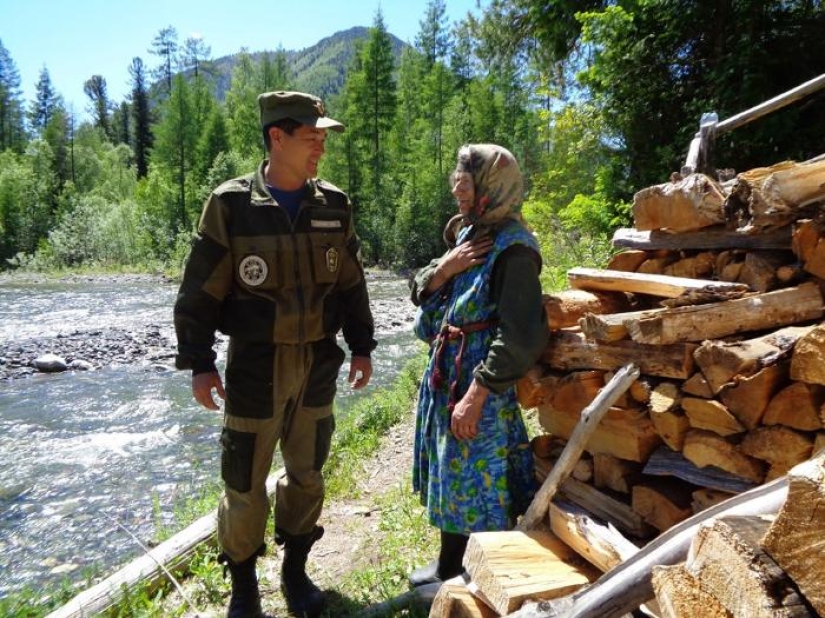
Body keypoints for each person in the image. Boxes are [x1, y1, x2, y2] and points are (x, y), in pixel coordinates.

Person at [174, 91, 376, 618]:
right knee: (243, 481)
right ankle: (244, 586)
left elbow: (352, 284)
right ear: (277, 137)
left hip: (317, 362)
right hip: (254, 366)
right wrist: (198, 361)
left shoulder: (334, 205)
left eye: (324, 139)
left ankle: (296, 570)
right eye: (313, 138)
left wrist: (362, 346)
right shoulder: (231, 205)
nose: (321, 149)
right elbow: (200, 290)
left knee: (307, 473)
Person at [408, 143, 549, 587]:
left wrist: (477, 393)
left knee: (483, 478)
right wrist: (443, 271)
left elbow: (522, 334)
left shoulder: (514, 250)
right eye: (458, 186)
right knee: (454, 471)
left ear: (492, 186)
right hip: (451, 370)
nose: (458, 194)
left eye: (466, 187)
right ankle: (449, 564)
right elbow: (421, 285)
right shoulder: (471, 233)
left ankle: (487, 574)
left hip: (480, 380)